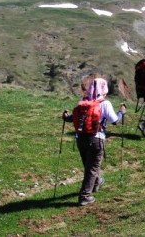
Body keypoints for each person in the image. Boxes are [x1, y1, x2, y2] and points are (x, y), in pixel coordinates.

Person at [62, 77, 126, 206]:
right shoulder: (104, 103)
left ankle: (97, 182)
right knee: (92, 168)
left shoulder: (83, 102)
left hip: (81, 138)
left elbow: (73, 118)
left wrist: (65, 116)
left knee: (89, 166)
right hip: (97, 138)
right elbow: (114, 121)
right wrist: (121, 112)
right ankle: (84, 196)